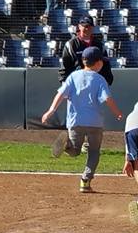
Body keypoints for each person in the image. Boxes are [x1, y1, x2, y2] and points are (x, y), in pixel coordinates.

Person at [42, 46, 123, 193]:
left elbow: (60, 95)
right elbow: (107, 99)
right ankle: (85, 180)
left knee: (75, 151)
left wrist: (51, 110)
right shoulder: (100, 79)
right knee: (94, 152)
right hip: (95, 122)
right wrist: (117, 112)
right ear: (98, 63)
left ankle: (67, 146)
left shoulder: (73, 76)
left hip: (75, 121)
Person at [60, 16, 113, 85]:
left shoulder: (99, 44)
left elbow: (106, 66)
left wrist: (107, 81)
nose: (87, 29)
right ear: (79, 27)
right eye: (85, 26)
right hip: (77, 83)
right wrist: (65, 83)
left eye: (90, 26)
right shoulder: (71, 44)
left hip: (95, 82)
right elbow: (65, 66)